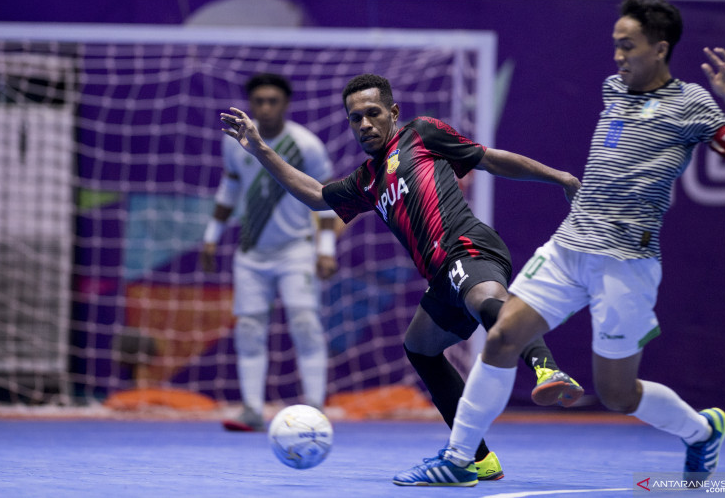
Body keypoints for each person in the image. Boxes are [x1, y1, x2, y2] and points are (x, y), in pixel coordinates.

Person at [392, 0, 725, 487]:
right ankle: (460, 458)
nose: (618, 56)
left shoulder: (691, 105)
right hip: (568, 248)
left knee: (617, 394)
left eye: (628, 46)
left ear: (660, 47)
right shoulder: (614, 88)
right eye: (615, 45)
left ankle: (700, 431)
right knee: (503, 337)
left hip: (626, 263)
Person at [221, 73, 585, 480]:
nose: (364, 125)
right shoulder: (367, 179)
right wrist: (261, 151)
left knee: (484, 300)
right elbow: (315, 195)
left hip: (466, 247)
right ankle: (479, 459)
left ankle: (547, 368)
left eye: (373, 113)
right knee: (420, 347)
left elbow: (490, 158)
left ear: (393, 112)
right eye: (355, 118)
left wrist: (561, 178)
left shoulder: (422, 134)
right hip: (439, 275)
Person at [202, 73, 340, 432]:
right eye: (258, 101)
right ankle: (251, 410)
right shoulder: (236, 142)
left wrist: (326, 249)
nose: (264, 107)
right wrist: (211, 235)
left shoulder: (306, 145)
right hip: (251, 254)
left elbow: (326, 200)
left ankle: (315, 411)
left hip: (297, 250)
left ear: (285, 104)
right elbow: (229, 189)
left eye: (272, 101)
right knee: (248, 329)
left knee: (306, 324)